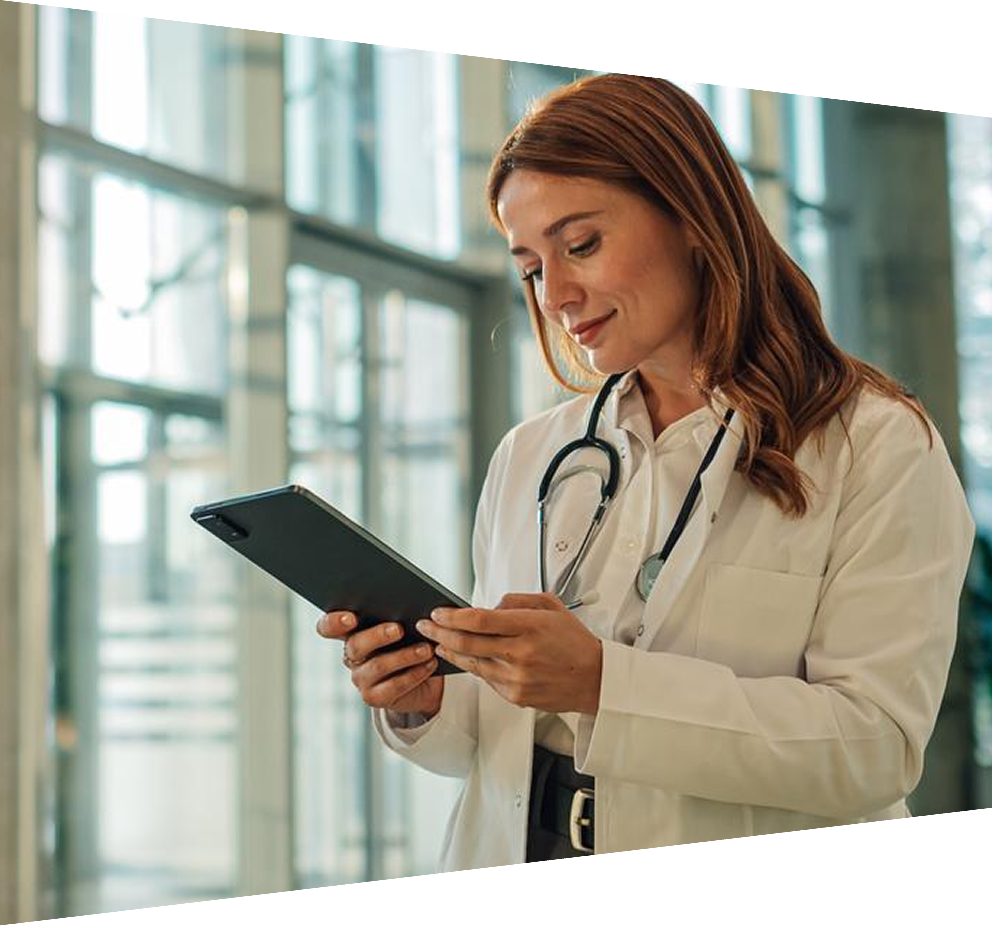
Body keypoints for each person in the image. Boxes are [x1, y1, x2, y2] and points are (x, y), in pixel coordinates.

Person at [315, 73, 976, 869]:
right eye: (531, 267)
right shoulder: (535, 455)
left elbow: (874, 748)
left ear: (692, 217)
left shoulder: (877, 446)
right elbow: (496, 743)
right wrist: (425, 703)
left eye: (581, 245)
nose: (556, 294)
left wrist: (603, 683)